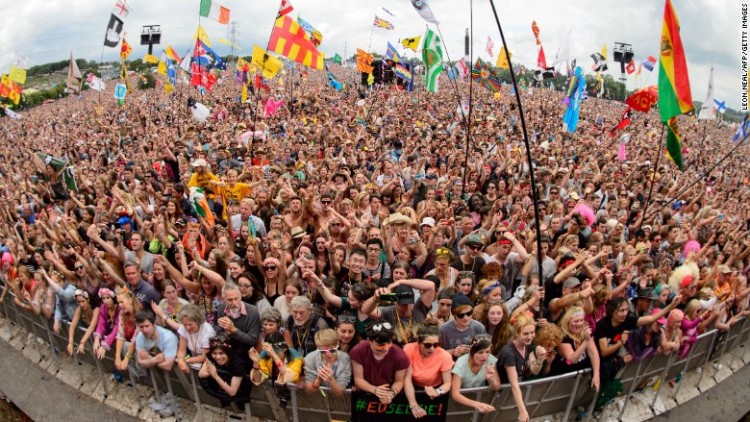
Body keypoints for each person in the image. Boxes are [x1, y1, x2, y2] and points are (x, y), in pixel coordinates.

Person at [497, 315, 547, 422]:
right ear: (516, 333)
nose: (530, 336)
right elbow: (514, 383)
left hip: (512, 394)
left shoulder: (527, 345)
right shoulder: (508, 353)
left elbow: (534, 370)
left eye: (532, 332)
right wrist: (523, 411)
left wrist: (540, 359)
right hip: (498, 393)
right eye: (525, 334)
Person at [349, 321, 409, 404]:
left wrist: (391, 393)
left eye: (389, 343)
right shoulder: (358, 350)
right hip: (364, 394)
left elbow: (399, 381)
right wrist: (375, 389)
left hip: (388, 394)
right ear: (370, 341)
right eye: (380, 345)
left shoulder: (400, 355)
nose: (385, 348)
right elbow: (358, 379)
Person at [403, 322, 454, 418]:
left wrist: (437, 391)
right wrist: (413, 405)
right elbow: (407, 379)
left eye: (436, 345)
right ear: (418, 342)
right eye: (427, 345)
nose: (432, 349)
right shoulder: (409, 349)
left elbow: (448, 383)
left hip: (435, 388)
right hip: (412, 388)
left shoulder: (445, 356)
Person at [214, 282, 261, 374]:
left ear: (241, 296)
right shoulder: (221, 309)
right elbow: (219, 334)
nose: (234, 303)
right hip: (226, 354)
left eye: (236, 299)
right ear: (224, 299)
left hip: (245, 356)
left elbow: (252, 340)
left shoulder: (253, 312)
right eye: (230, 300)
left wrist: (233, 330)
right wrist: (227, 333)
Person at [199, 334, 253, 408]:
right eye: (215, 353)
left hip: (243, 387)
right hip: (224, 385)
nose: (218, 357)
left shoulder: (238, 363)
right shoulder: (210, 356)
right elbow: (201, 374)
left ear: (228, 353)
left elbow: (232, 392)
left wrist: (215, 375)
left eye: (221, 353)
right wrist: (213, 372)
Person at [450, 337, 500, 413]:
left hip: (480, 399)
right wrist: (477, 405)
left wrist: (490, 379)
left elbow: (497, 387)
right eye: (480, 352)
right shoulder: (461, 363)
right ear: (471, 352)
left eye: (487, 352)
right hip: (462, 401)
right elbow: (455, 394)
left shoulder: (490, 360)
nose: (484, 356)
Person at [303, 328, 352, 396]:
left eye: (332, 350)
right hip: (318, 399)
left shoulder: (345, 358)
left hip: (338, 401)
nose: (328, 354)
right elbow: (309, 391)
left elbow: (339, 392)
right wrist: (318, 380)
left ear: (337, 344)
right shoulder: (310, 358)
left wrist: (331, 380)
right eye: (323, 351)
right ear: (318, 348)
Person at [439, 294, 487, 358]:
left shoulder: (479, 327)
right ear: (454, 315)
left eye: (469, 313)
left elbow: (485, 351)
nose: (466, 318)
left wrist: (473, 351)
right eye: (461, 315)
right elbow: (436, 353)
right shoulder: (443, 329)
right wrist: (452, 352)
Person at [176, 304, 216, 373]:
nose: (187, 328)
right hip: (193, 360)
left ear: (198, 321)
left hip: (208, 362)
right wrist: (180, 360)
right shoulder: (183, 327)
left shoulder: (208, 332)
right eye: (185, 324)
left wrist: (185, 360)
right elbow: (182, 350)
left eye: (190, 324)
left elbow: (204, 357)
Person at [67, 289, 99, 356]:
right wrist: (70, 342)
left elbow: (92, 327)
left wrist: (82, 342)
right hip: (92, 336)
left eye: (83, 301)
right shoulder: (79, 309)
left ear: (88, 299)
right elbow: (72, 325)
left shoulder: (96, 309)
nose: (81, 304)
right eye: (79, 302)